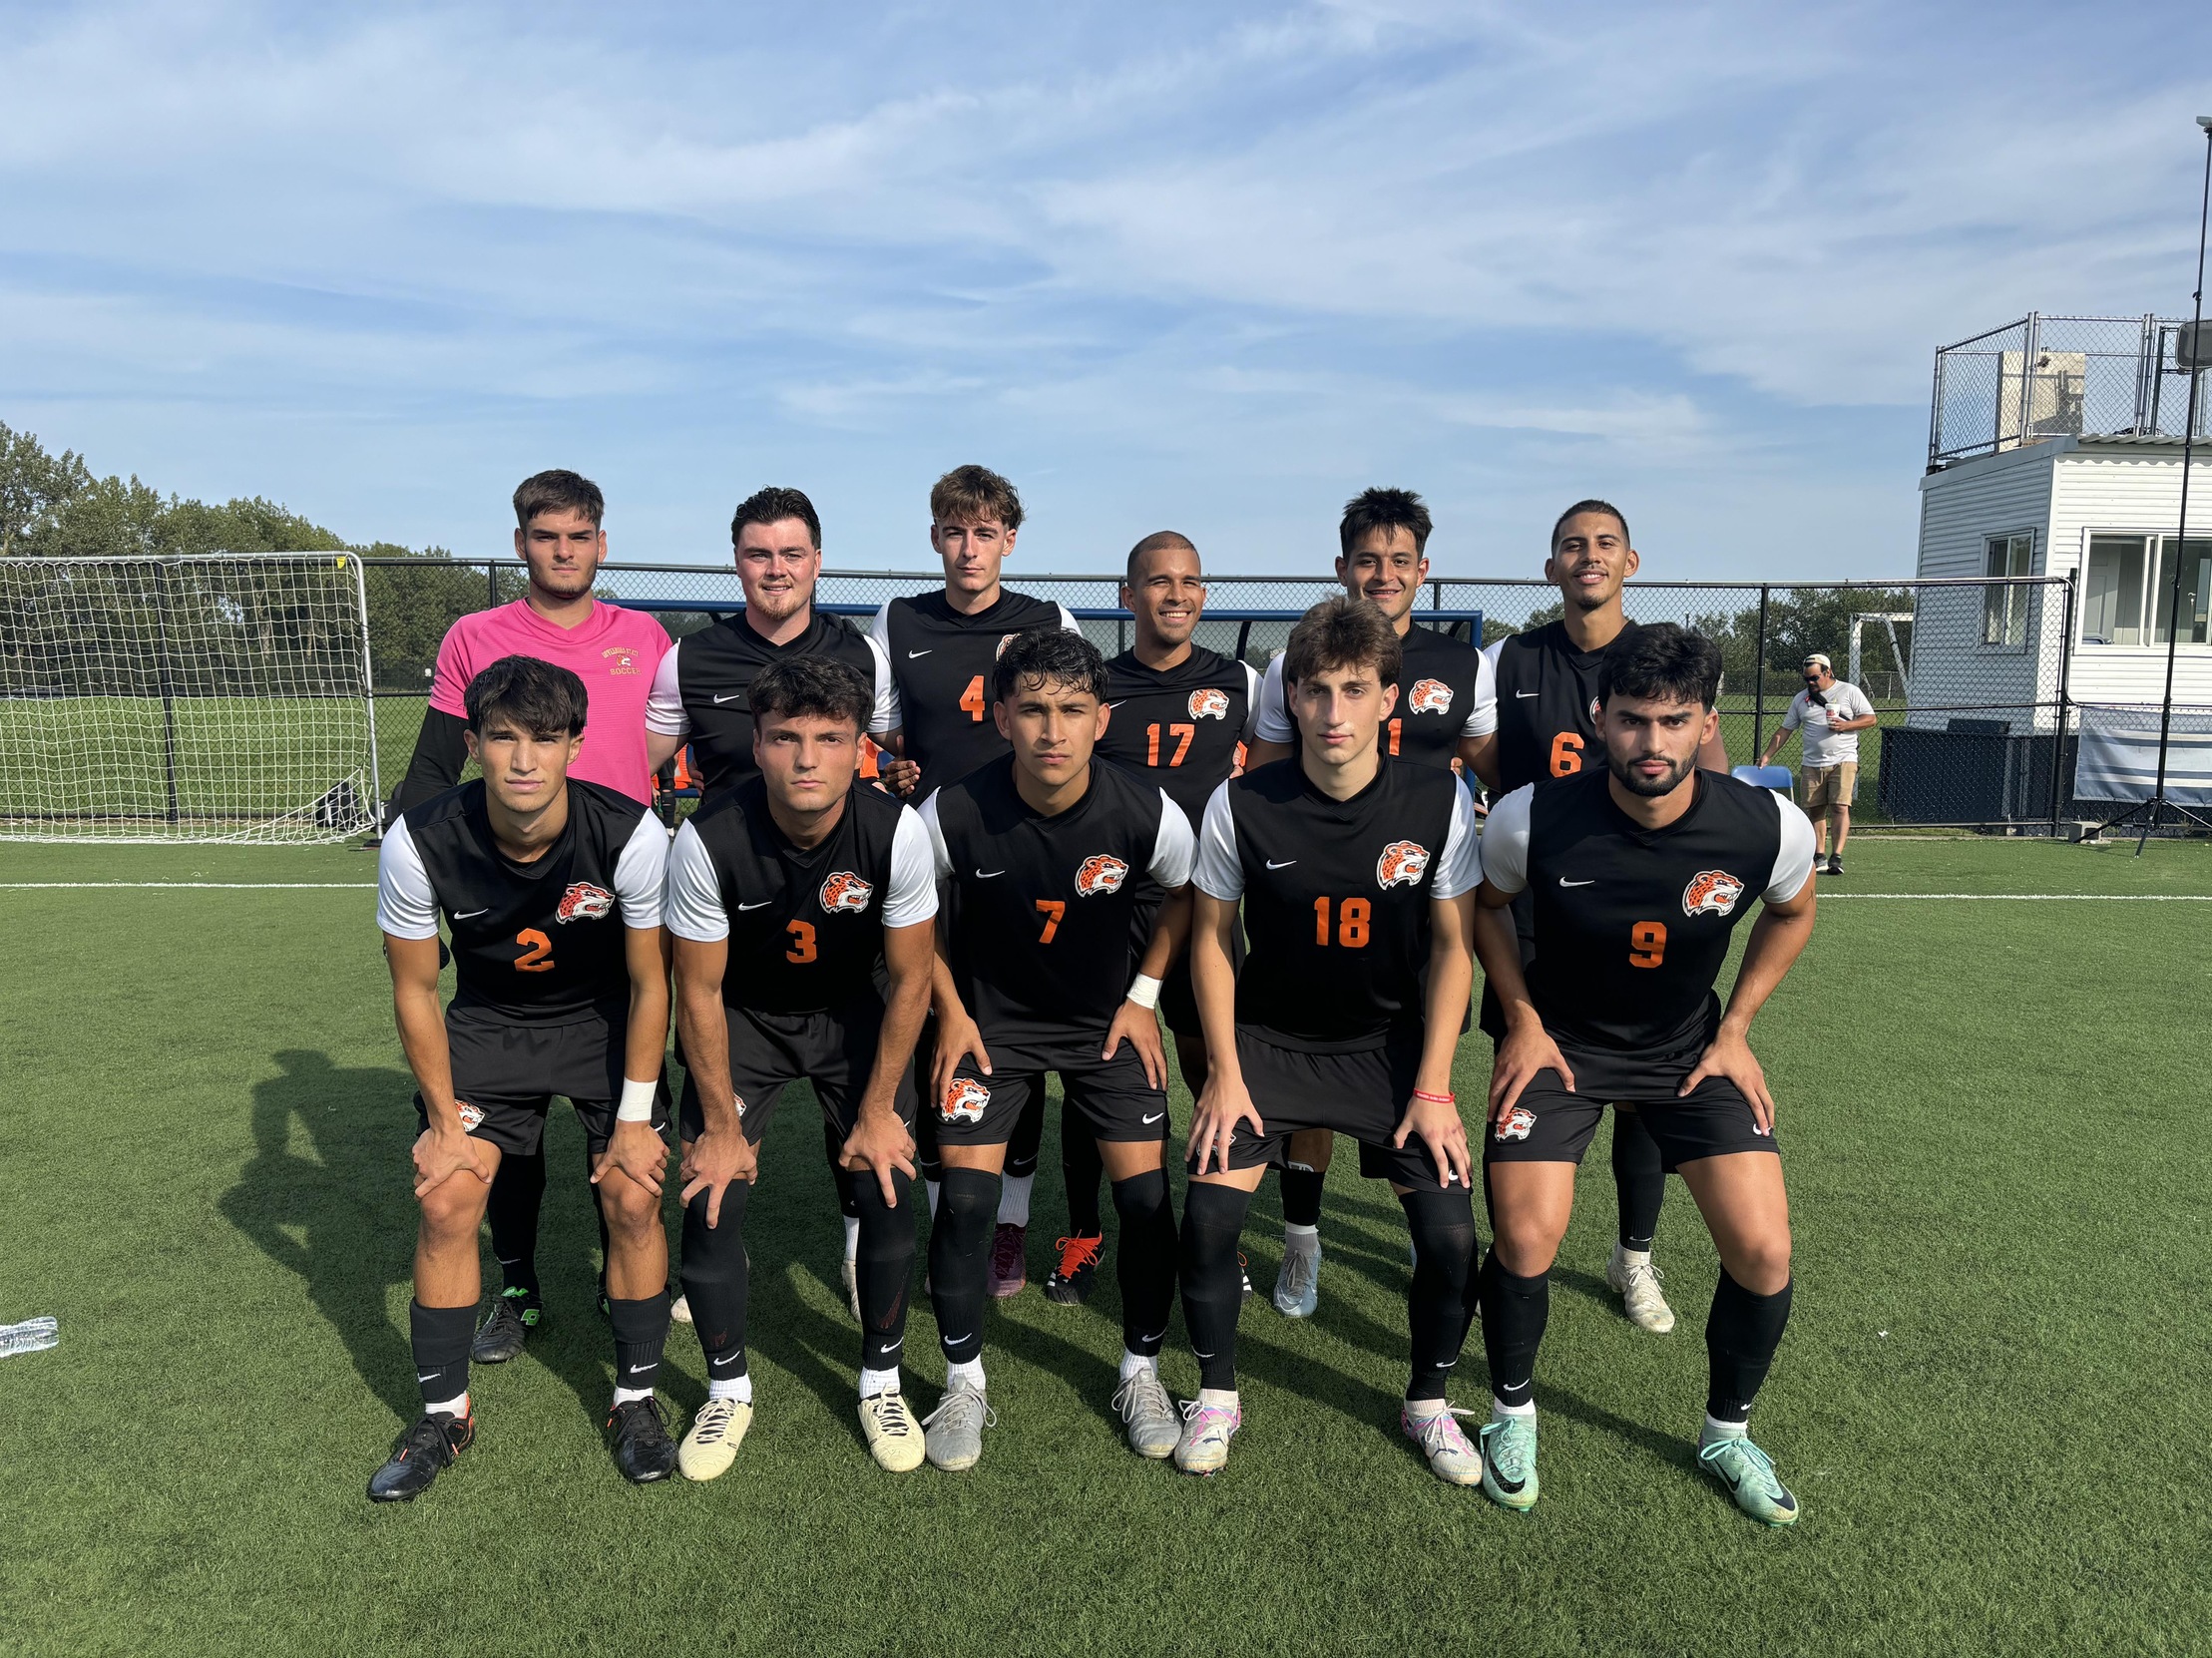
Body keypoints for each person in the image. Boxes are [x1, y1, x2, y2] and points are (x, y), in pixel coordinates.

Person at [1473, 623, 1816, 1526]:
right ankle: (1510, 1414)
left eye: (1674, 721)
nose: (1651, 743)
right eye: (1631, 720)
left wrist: (1736, 1027)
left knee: (1763, 1249)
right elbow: (1487, 908)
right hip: (1563, 1048)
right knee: (1526, 1239)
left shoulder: (1766, 824)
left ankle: (1726, 1432)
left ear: (1706, 723)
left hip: (1685, 1051)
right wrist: (1518, 1020)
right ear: (1598, 718)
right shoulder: (1529, 814)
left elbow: (1792, 914)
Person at [1179, 597, 1485, 1484]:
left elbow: (1455, 949)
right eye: (1316, 692)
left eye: (1356, 690)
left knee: (1452, 1240)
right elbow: (1209, 940)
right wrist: (1225, 1074)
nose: (1335, 713)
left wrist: (1433, 1087)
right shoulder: (1241, 800)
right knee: (1206, 1219)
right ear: (1293, 698)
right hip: (1269, 1042)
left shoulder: (1438, 800)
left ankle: (1427, 1403)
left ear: (1391, 697)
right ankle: (1216, 1395)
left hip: (1386, 1048)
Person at [383, 470, 674, 1370]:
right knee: (497, 1139)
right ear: (521, 542)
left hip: (612, 876)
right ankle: (516, 1289)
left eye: (579, 535)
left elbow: (670, 742)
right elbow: (439, 764)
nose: (562, 549)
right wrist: (435, 847)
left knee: (626, 1164)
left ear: (600, 542)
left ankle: (617, 1280)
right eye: (546, 535)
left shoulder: (645, 636)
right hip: (505, 887)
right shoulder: (475, 636)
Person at [369, 655, 677, 1500]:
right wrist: (441, 1123)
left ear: (575, 746)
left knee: (633, 1191)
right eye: (501, 738)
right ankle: (444, 1415)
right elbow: (414, 987)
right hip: (489, 1025)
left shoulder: (633, 833)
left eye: (544, 739)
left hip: (602, 1022)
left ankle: (635, 1398)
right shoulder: (418, 836)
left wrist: (637, 1117)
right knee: (445, 1197)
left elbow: (655, 982)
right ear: (471, 744)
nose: (522, 759)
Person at [915, 628, 1195, 1469]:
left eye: (1072, 710)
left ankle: (1141, 1370)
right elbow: (912, 918)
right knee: (965, 1206)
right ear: (999, 716)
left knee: (1146, 1203)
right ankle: (963, 1381)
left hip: (1102, 1024)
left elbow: (1183, 897)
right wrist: (952, 1014)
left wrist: (1144, 998)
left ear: (1101, 717)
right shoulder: (951, 811)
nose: (1051, 730)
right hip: (988, 1026)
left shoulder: (1148, 809)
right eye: (1031, 709)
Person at [663, 657, 938, 1476]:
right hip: (743, 1017)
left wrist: (881, 1108)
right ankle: (726, 1391)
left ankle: (880, 1379)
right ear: (757, 742)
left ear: (860, 746)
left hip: (850, 1011)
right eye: (786, 738)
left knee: (886, 1180)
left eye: (829, 738)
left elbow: (913, 979)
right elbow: (699, 993)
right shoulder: (708, 836)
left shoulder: (896, 830)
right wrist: (718, 1125)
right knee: (710, 1196)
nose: (807, 759)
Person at [1472, 499, 1732, 1337]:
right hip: (1537, 906)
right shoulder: (1507, 659)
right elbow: (1477, 753)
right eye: (1570, 546)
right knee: (1532, 1069)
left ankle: (1634, 1256)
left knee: (1642, 1096)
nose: (1588, 556)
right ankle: (1516, 1239)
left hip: (1640, 905)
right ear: (1550, 568)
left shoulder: (1660, 659)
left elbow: (1711, 779)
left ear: (1631, 562)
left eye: (1604, 544)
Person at [646, 485, 904, 1322]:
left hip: (838, 901)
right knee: (715, 1098)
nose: (776, 569)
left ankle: (861, 1244)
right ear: (737, 563)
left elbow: (898, 748)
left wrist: (902, 787)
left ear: (817, 562)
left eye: (792, 553)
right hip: (728, 895)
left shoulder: (864, 654)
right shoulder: (690, 658)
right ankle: (722, 1241)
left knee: (857, 1107)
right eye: (759, 554)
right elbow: (635, 761)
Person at [1240, 488, 1495, 1321]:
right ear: (1340, 567)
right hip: (1317, 898)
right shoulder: (1297, 662)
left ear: (1424, 570)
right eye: (1365, 561)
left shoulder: (1463, 666)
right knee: (1310, 1078)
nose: (1381, 575)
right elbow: (1272, 781)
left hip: (1416, 907)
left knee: (1408, 1082)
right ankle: (1302, 1241)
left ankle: (1424, 1226)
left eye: (1398, 561)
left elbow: (1489, 767)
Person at [870, 465, 1082, 1299]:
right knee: (927, 1040)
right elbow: (882, 734)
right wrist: (892, 769)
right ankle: (944, 1222)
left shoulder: (1045, 621)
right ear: (934, 538)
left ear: (1009, 541)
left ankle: (1008, 1228)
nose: (969, 547)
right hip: (928, 862)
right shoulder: (895, 620)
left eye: (985, 531)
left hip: (1023, 860)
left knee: (1011, 1048)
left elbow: (1068, 720)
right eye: (954, 531)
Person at [1046, 530, 1259, 1306]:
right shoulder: (1096, 683)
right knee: (1092, 1068)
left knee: (1212, 1067)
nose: (1176, 595)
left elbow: (1259, 789)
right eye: (1158, 581)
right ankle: (1082, 1231)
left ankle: (1215, 1236)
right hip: (1110, 907)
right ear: (1125, 595)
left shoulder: (1240, 680)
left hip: (1204, 910)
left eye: (1190, 581)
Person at [1758, 652, 1875, 878]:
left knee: (1840, 806)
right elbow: (1785, 730)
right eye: (1806, 679)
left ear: (1827, 673)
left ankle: (1837, 856)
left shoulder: (1849, 692)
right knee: (1815, 809)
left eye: (1814, 678)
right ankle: (1819, 855)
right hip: (1812, 763)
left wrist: (1846, 725)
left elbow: (1870, 719)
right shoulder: (1800, 699)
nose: (1810, 683)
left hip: (1844, 759)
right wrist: (1767, 755)